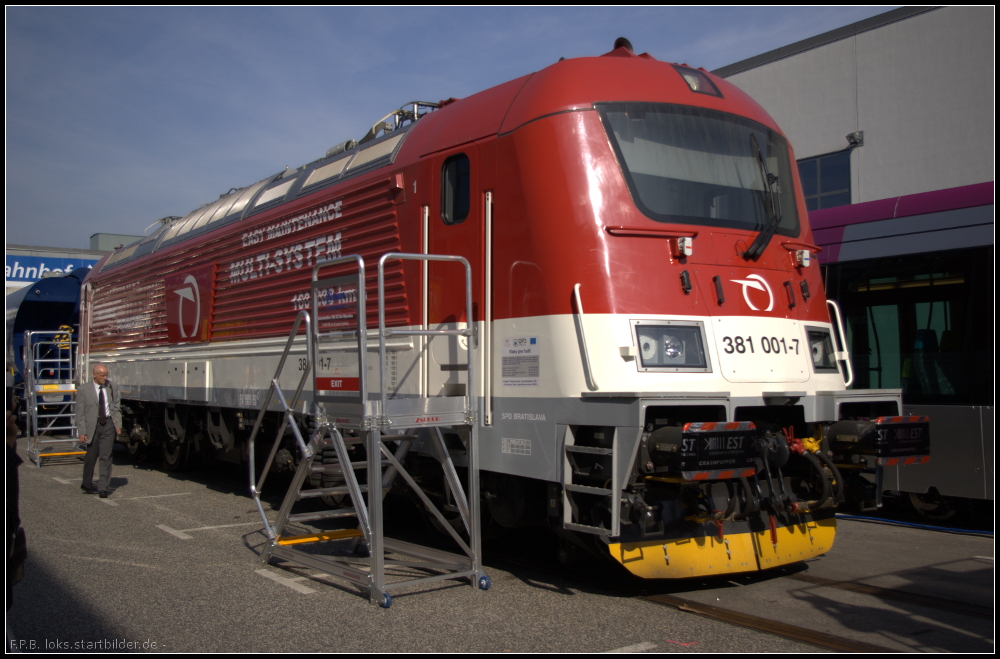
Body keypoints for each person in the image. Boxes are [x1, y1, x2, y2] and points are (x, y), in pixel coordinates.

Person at [78, 363, 121, 498]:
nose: (105, 377)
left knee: (106, 456)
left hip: (108, 424)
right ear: (94, 375)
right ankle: (87, 483)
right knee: (91, 457)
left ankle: (103, 487)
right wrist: (82, 431)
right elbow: (80, 413)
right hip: (92, 426)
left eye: (106, 375)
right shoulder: (83, 390)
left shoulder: (111, 386)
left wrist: (118, 424)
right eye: (102, 375)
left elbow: (117, 407)